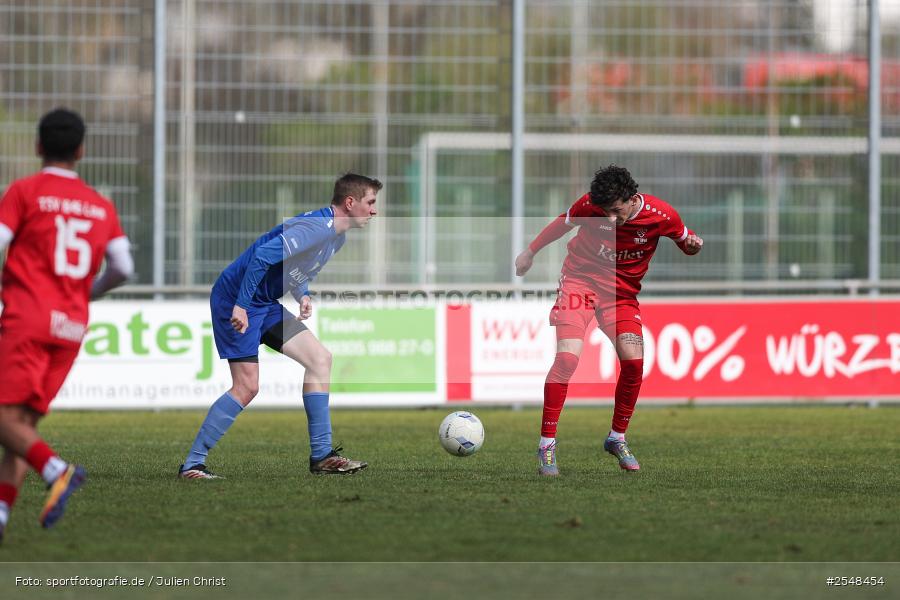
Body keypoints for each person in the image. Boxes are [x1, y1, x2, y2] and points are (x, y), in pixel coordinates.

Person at [178, 173, 381, 479]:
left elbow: (295, 269)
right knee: (247, 387)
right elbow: (261, 257)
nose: (374, 210)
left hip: (263, 303)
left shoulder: (336, 238)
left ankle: (322, 456)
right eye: (371, 202)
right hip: (235, 299)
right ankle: (192, 465)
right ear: (350, 203)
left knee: (319, 359)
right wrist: (241, 306)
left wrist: (303, 294)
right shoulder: (316, 228)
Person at [515, 165, 703, 476]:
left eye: (616, 211)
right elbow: (562, 225)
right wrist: (530, 251)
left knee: (633, 363)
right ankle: (546, 445)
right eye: (604, 213)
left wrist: (694, 246)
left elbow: (687, 243)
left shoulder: (662, 215)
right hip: (580, 283)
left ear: (632, 198)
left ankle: (617, 438)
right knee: (566, 359)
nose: (610, 219)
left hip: (621, 296)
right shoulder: (588, 206)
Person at [0, 108, 133, 541]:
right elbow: (123, 267)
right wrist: (84, 294)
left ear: (39, 146)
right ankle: (1, 514)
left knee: (6, 419)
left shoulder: (25, 191)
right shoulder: (100, 205)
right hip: (71, 326)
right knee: (21, 423)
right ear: (81, 150)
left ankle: (57, 469)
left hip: (27, 317)